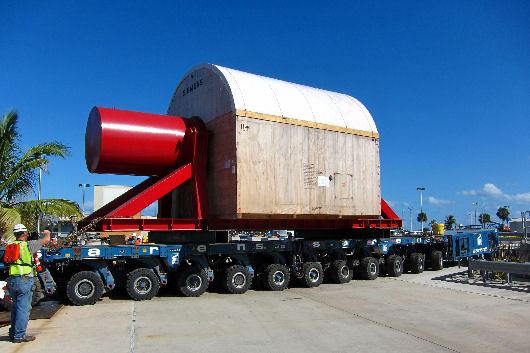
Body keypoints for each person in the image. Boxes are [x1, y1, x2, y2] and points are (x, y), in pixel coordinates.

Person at [7, 224, 50, 343]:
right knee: (23, 309)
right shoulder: (28, 245)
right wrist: (47, 232)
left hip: (12, 280)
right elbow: (46, 240)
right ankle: (20, 335)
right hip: (24, 280)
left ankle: (13, 333)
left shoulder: (11, 246)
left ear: (15, 234)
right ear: (25, 234)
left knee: (16, 308)